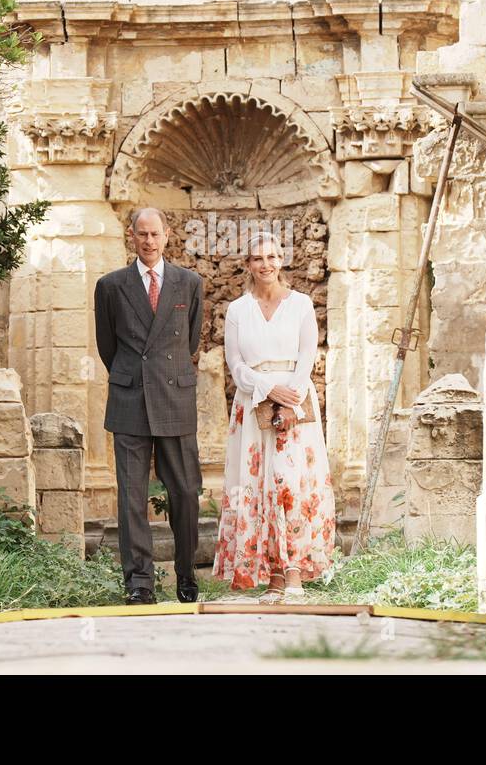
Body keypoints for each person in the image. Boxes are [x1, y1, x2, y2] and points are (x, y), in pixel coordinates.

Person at [213, 230, 336, 602]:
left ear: (281, 261)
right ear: (248, 265)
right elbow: (235, 364)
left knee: (290, 481)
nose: (265, 265)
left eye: (271, 257)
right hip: (252, 405)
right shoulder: (237, 310)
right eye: (257, 259)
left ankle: (296, 568)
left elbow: (307, 355)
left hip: (295, 402)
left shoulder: (300, 305)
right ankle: (272, 575)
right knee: (258, 484)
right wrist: (267, 389)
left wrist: (289, 396)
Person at [93, 206, 205, 605]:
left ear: (167, 234)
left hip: (175, 395)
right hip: (130, 399)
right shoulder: (110, 286)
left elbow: (189, 343)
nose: (149, 241)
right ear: (132, 236)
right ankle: (139, 582)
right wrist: (133, 377)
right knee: (131, 496)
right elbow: (109, 346)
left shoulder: (188, 283)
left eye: (155, 234)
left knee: (187, 492)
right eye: (142, 234)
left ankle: (186, 573)